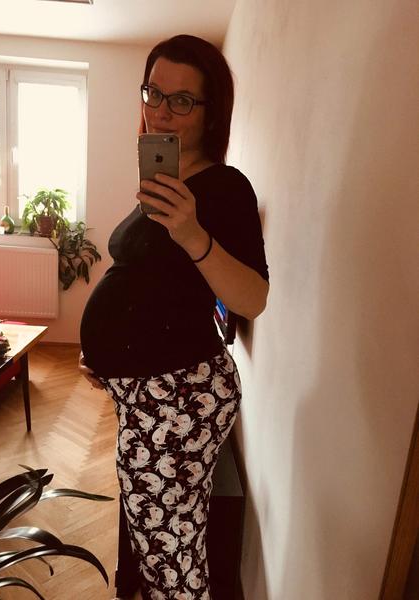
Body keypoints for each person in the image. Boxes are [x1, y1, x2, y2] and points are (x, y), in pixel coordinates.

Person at [79, 34, 269, 600]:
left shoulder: (225, 188)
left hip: (180, 400)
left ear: (211, 113)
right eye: (153, 92)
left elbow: (253, 298)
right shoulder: (163, 183)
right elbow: (154, 288)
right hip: (151, 396)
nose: (161, 111)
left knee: (169, 555)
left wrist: (192, 234)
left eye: (182, 100)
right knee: (166, 539)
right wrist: (108, 359)